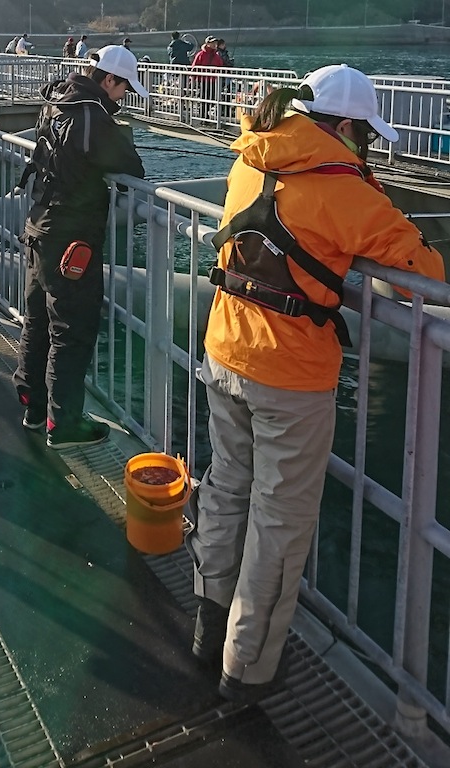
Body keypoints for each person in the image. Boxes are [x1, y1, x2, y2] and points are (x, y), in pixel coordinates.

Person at [187, 64, 445, 705]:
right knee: (279, 521)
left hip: (225, 349)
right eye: (367, 136)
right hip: (290, 377)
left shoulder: (251, 156)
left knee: (223, 489)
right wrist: (364, 182)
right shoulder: (343, 188)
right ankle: (246, 672)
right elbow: (424, 263)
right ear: (350, 126)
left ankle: (206, 628)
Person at [13, 45, 147, 448]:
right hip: (72, 236)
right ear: (109, 80)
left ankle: (33, 405)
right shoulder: (94, 116)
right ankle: (64, 424)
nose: (123, 96)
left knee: (37, 318)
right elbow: (131, 166)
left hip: (40, 223)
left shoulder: (57, 100)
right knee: (71, 329)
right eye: (124, 88)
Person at [191, 36, 223, 118]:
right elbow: (194, 67)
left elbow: (220, 66)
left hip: (213, 80)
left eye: (215, 43)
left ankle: (206, 115)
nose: (214, 44)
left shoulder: (216, 55)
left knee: (212, 98)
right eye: (212, 43)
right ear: (207, 43)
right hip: (203, 81)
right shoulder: (201, 54)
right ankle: (203, 116)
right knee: (204, 99)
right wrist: (193, 79)